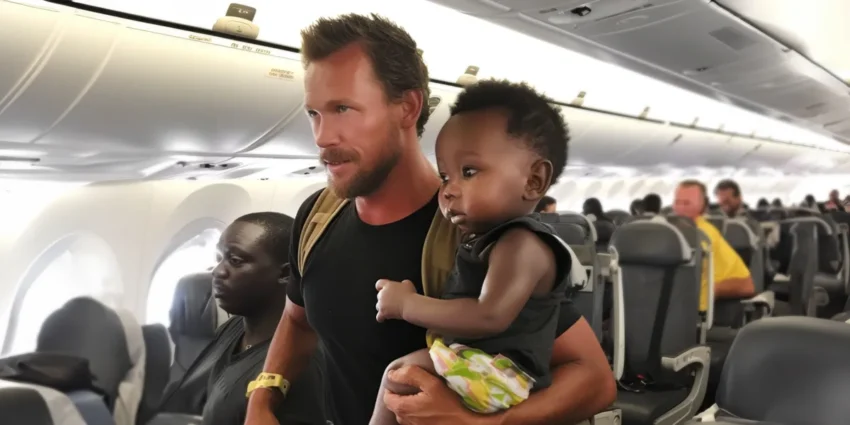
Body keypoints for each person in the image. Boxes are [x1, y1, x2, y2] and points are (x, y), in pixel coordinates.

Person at [245, 13, 615, 425]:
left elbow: (594, 379)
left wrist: (478, 424)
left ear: (407, 107)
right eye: (314, 113)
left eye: (343, 109)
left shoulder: (478, 232)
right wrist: (264, 395)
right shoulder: (317, 216)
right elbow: (297, 320)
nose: (322, 136)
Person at [369, 80, 575, 424]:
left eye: (469, 172)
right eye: (445, 176)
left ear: (534, 181)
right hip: (484, 366)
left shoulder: (522, 244)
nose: (448, 190)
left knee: (401, 374)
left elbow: (488, 315)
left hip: (504, 374)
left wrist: (407, 305)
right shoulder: (488, 239)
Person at [161, 213, 324, 425]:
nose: (217, 271)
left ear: (285, 273)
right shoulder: (235, 327)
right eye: (219, 258)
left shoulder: (300, 367)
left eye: (235, 261)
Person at [673, 180, 755, 312]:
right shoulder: (671, 232)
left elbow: (747, 285)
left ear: (702, 205)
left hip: (692, 313)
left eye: (687, 203)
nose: (681, 208)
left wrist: (710, 289)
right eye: (677, 202)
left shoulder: (706, 235)